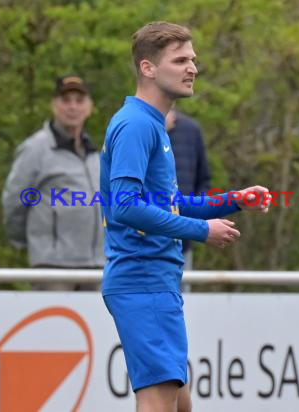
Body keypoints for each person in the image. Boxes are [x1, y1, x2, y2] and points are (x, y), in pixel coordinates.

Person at [100, 21, 271, 411]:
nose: (192, 67)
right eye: (180, 60)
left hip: (154, 281)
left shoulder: (152, 125)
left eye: (192, 59)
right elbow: (125, 207)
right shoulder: (136, 125)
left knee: (180, 405)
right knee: (159, 403)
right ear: (148, 68)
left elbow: (168, 203)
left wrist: (235, 200)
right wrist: (201, 231)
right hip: (143, 279)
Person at [2, 75, 104, 290]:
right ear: (54, 105)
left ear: (89, 107)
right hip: (53, 266)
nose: (73, 107)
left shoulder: (96, 154)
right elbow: (14, 201)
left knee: (99, 324)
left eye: (79, 100)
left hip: (97, 265)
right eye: (66, 100)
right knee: (54, 324)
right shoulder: (35, 149)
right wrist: (34, 243)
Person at [166, 109, 211, 270]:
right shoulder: (133, 127)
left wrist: (195, 218)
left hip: (184, 241)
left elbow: (203, 181)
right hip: (144, 245)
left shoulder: (191, 129)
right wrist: (157, 130)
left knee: (184, 293)